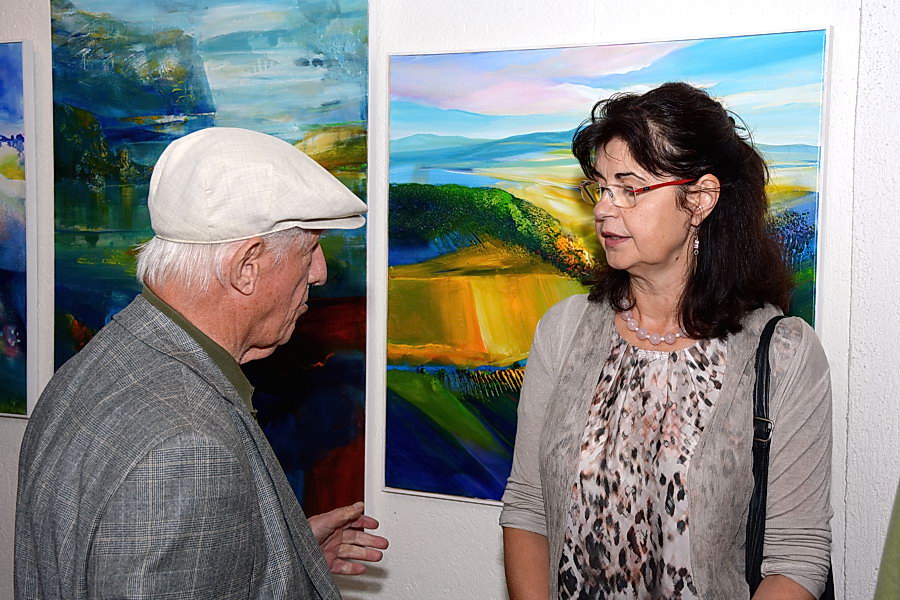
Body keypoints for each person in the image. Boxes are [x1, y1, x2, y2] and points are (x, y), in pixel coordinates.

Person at [15, 127, 388, 599]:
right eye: (310, 249)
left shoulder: (98, 364)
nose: (320, 273)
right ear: (246, 266)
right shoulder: (187, 448)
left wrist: (282, 554)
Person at [500, 83, 832, 599]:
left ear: (699, 199)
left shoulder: (783, 353)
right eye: (600, 188)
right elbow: (527, 506)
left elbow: (797, 554)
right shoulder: (564, 331)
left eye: (630, 189)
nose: (604, 209)